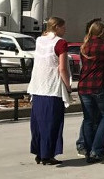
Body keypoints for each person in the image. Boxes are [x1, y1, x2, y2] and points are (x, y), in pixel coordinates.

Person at [27, 17, 71, 165]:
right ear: (57, 27)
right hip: (52, 87)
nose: (65, 30)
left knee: (38, 123)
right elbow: (62, 68)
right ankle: (47, 155)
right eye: (63, 27)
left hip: (38, 86)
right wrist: (68, 86)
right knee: (52, 123)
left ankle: (39, 153)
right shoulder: (61, 43)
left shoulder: (40, 40)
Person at [78, 19, 104, 163]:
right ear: (102, 32)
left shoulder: (84, 46)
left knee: (89, 119)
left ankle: (87, 150)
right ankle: (97, 150)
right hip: (100, 85)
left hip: (84, 86)